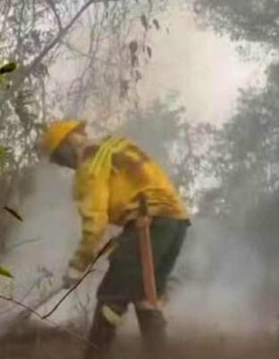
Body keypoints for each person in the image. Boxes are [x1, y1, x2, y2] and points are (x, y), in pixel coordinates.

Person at [39, 120, 190, 358]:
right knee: (147, 297)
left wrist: (78, 265)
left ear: (65, 147)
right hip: (175, 221)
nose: (65, 165)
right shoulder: (113, 144)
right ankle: (159, 353)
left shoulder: (90, 162)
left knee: (111, 296)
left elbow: (95, 223)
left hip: (147, 222)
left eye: (59, 159)